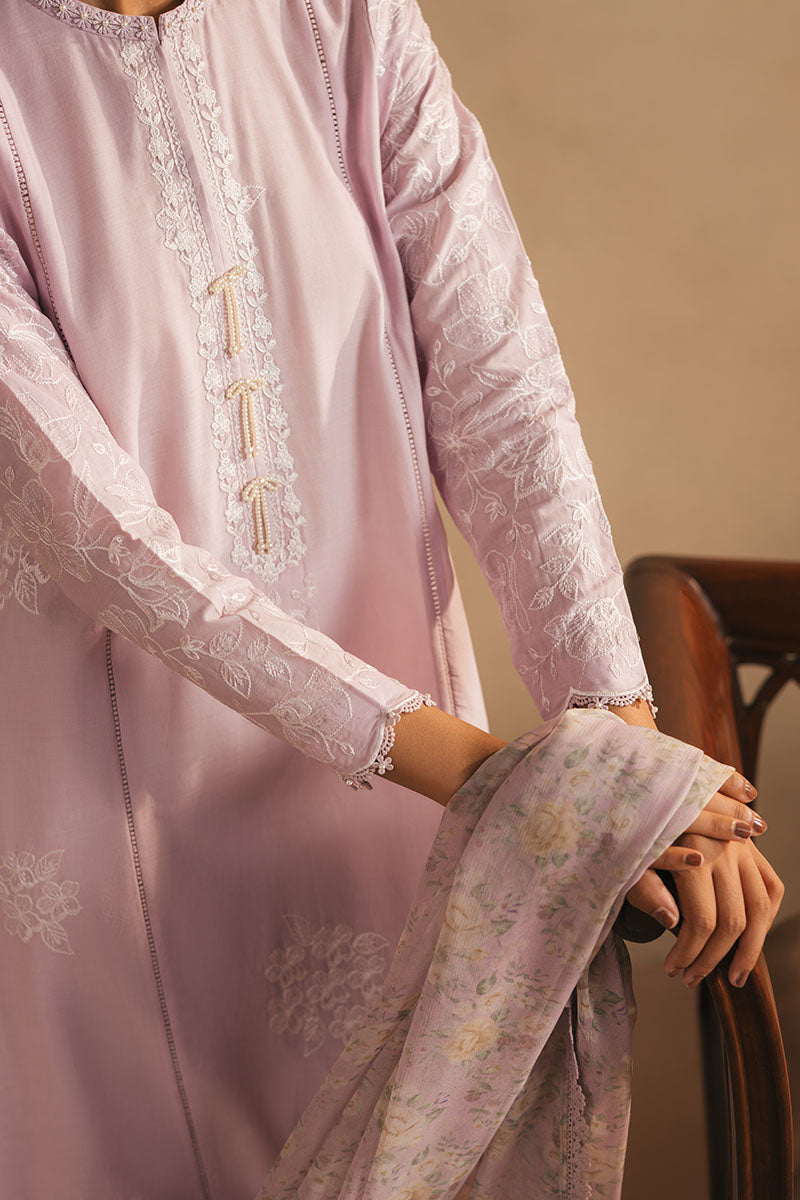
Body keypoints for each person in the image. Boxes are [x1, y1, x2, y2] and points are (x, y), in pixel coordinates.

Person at [0, 0, 782, 1196]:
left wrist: (625, 766)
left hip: (399, 823)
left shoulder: (346, 19)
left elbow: (501, 389)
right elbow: (108, 543)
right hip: (119, 831)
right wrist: (526, 793)